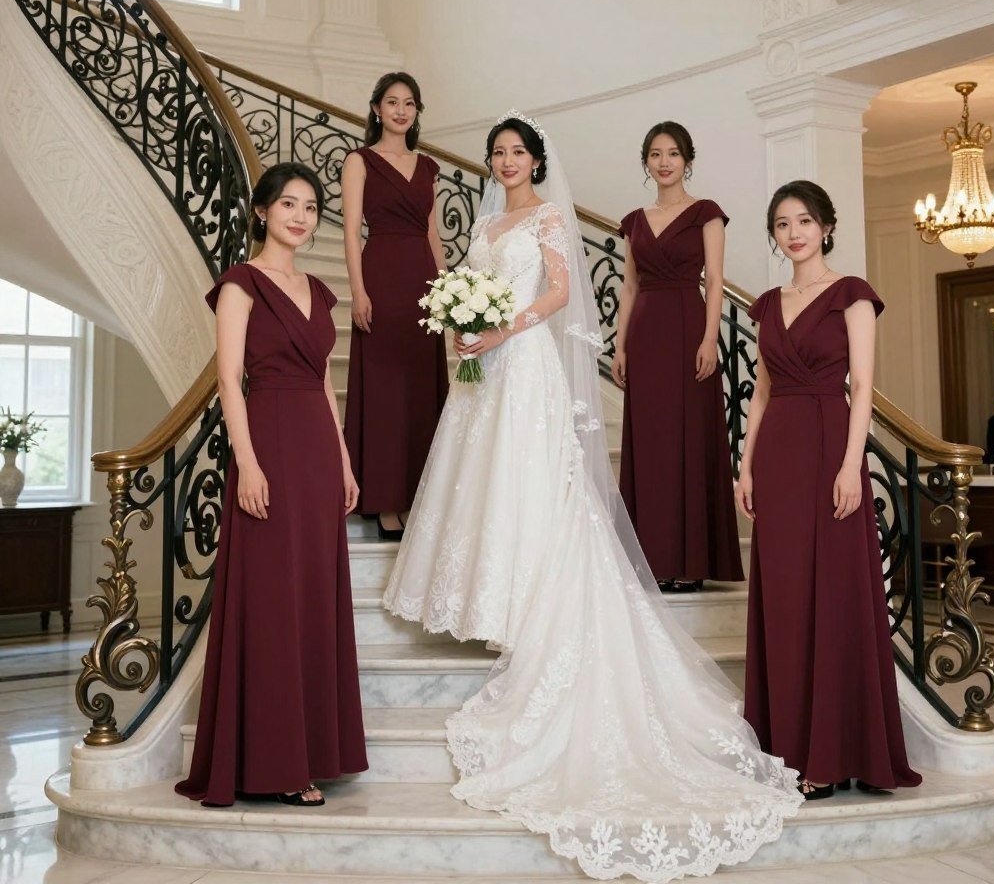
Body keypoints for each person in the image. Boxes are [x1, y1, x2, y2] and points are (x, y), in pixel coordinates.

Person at [383, 112, 802, 880]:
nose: (507, 161)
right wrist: (462, 329)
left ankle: (526, 602)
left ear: (536, 160)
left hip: (524, 362)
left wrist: (501, 328)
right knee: (478, 479)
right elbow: (466, 288)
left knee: (530, 481)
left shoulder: (548, 215)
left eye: (518, 151)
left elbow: (558, 291)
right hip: (482, 369)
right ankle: (481, 601)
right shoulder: (484, 223)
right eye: (498, 152)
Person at [176, 163, 367, 808]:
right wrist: (248, 462)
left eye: (310, 207)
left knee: (314, 597)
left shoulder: (319, 290)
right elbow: (229, 380)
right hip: (268, 444)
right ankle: (277, 762)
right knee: (274, 600)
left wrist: (343, 461)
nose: (300, 217)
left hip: (315, 451)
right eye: (288, 204)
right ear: (262, 211)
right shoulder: (241, 284)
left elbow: (324, 384)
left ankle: (316, 752)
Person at [736, 179, 921, 800]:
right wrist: (746, 467)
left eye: (805, 221)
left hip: (830, 450)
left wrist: (851, 465)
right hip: (778, 455)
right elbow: (761, 392)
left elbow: (862, 387)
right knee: (786, 599)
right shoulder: (767, 304)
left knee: (832, 598)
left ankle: (833, 753)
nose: (794, 233)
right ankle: (787, 747)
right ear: (774, 234)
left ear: (826, 227)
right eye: (782, 224)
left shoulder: (852, 296)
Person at [614, 122, 743, 592]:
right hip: (646, 335)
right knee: (651, 446)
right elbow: (630, 286)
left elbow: (716, 281)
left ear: (687, 160)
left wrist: (709, 339)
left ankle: (690, 561)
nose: (664, 162)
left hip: (689, 331)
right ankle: (653, 559)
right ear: (646, 162)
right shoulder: (634, 221)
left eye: (672, 153)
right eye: (655, 154)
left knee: (689, 441)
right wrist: (620, 345)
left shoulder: (707, 214)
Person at [342, 72, 449, 541]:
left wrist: (448, 291)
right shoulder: (359, 161)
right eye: (392, 102)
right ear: (377, 109)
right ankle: (385, 500)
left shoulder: (427, 167)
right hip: (381, 276)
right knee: (386, 391)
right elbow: (351, 232)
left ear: (416, 111)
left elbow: (433, 233)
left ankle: (418, 496)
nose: (401, 111)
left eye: (409, 103)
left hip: (423, 282)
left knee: (422, 391)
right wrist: (359, 291)